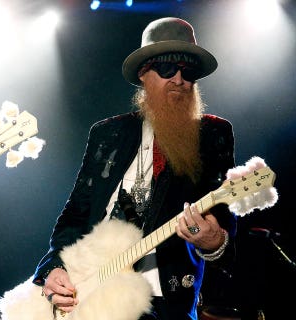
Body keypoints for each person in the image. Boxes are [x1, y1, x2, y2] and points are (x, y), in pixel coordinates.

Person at [34, 17, 237, 319]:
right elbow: (76, 213)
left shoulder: (213, 135)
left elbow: (223, 222)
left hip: (160, 297)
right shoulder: (107, 134)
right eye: (167, 68)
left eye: (188, 71)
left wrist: (215, 241)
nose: (179, 79)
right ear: (144, 73)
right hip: (89, 290)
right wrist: (53, 268)